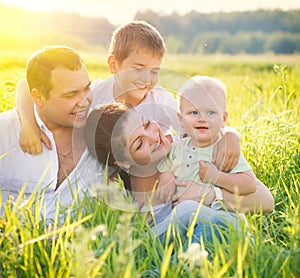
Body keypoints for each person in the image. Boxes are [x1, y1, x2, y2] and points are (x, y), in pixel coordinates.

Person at [16, 21, 241, 175]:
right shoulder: (96, 92)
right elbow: (25, 85)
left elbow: (199, 126)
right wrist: (28, 123)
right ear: (114, 65)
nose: (147, 79)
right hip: (105, 169)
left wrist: (230, 135)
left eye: (155, 71)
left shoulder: (161, 101)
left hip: (149, 173)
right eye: (138, 68)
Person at [84, 101, 274, 239]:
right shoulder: (121, 197)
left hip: (226, 237)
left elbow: (266, 201)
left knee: (189, 210)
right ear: (123, 161)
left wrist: (208, 195)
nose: (153, 136)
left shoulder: (190, 147)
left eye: (147, 124)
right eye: (139, 143)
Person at [0, 45, 104, 222]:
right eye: (71, 95)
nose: (84, 101)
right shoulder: (6, 134)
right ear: (39, 97)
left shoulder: (103, 123)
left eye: (86, 88)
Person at [158, 76, 257, 212]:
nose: (202, 119)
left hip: (218, 215)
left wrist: (217, 177)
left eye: (211, 112)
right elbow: (161, 172)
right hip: (181, 216)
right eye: (194, 112)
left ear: (223, 119)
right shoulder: (176, 149)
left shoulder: (223, 151)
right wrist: (166, 177)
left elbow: (250, 185)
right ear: (181, 119)